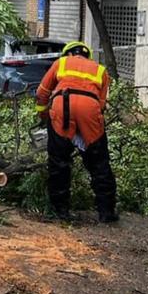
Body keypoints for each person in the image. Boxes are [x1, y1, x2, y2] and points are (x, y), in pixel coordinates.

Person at [34, 40, 118, 223]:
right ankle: (106, 212)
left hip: (62, 107)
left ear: (68, 53)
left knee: (59, 161)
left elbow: (42, 93)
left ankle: (60, 210)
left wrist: (43, 116)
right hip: (90, 109)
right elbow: (102, 104)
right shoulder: (100, 70)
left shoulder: (61, 63)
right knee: (100, 162)